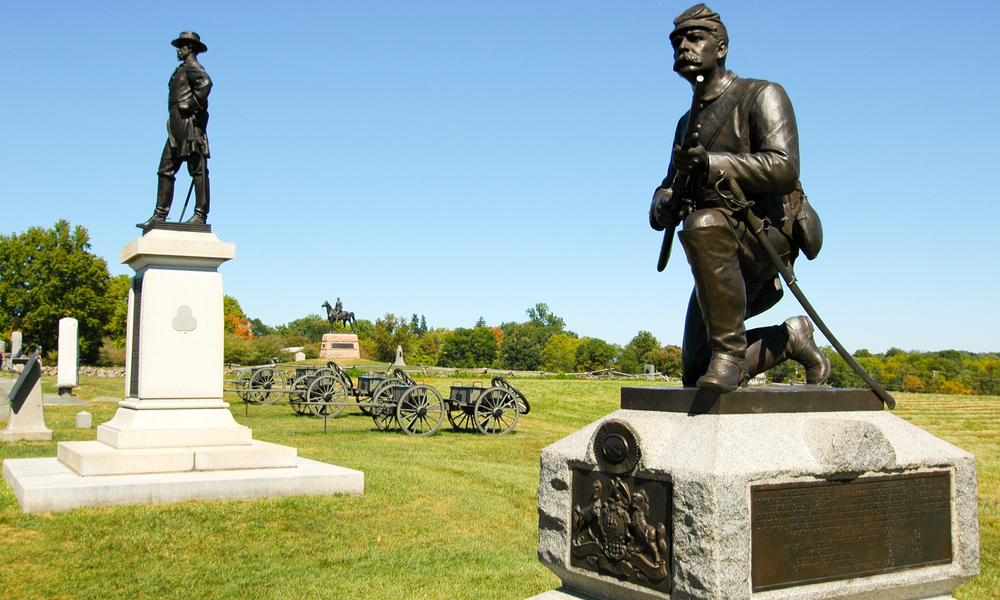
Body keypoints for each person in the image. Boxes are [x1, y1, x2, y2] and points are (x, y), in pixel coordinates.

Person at [648, 4, 830, 391]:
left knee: (702, 221)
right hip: (715, 247)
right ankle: (791, 339)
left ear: (722, 46)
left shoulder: (761, 94)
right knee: (695, 372)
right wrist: (662, 204)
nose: (683, 46)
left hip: (762, 234)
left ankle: (730, 356)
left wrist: (713, 164)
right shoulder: (687, 123)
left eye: (695, 38)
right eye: (677, 41)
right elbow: (668, 183)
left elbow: (784, 167)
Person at [138, 32, 213, 229]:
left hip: (188, 124)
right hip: (175, 125)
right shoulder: (182, 68)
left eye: (181, 46)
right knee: (165, 169)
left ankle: (200, 214)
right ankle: (159, 215)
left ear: (190, 47)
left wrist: (191, 104)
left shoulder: (192, 66)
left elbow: (205, 83)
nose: (178, 50)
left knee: (197, 169)